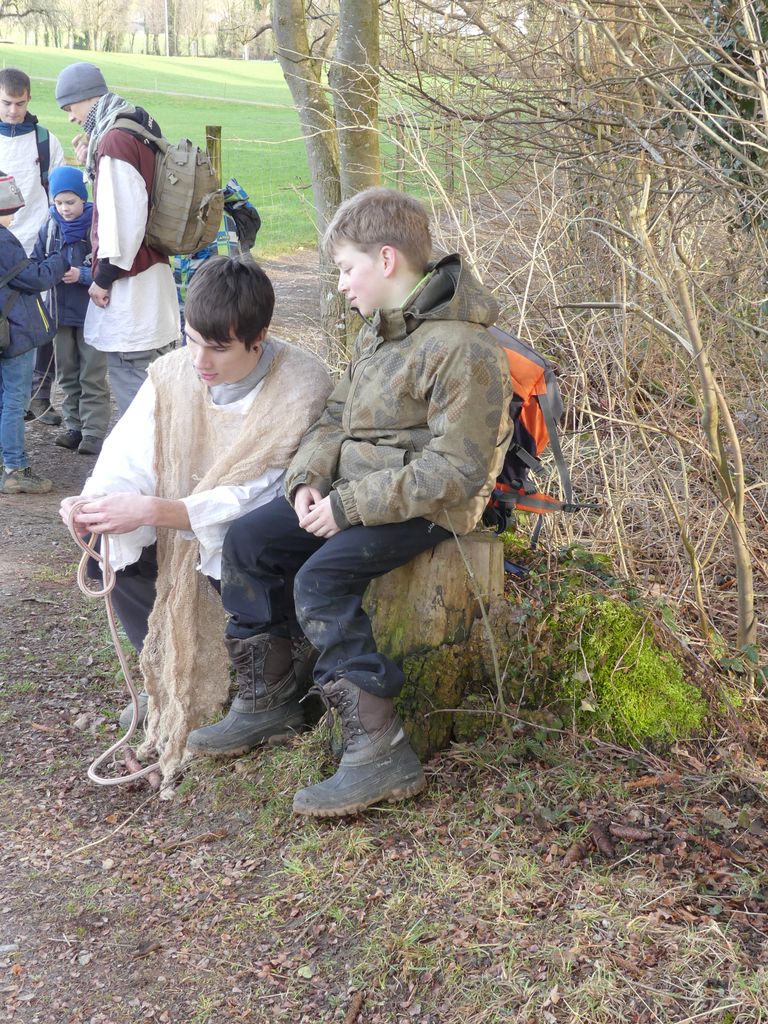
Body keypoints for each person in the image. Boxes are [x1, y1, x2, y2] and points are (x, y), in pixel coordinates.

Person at [186, 187, 514, 818]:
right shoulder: (380, 333)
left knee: (320, 581)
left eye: (345, 268)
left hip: (427, 508)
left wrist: (349, 507)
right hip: (353, 493)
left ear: (386, 259)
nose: (339, 284)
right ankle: (269, 699)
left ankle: (379, 750)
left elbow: (458, 471)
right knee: (248, 542)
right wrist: (309, 479)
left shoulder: (463, 348)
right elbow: (336, 417)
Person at [59, 255, 332, 785]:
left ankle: (263, 681)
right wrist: (93, 504)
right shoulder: (171, 372)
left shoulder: (301, 383)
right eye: (191, 340)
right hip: (183, 522)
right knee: (108, 546)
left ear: (259, 338)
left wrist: (159, 510)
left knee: (245, 543)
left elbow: (261, 494)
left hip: (257, 543)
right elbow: (128, 455)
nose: (200, 360)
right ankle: (172, 675)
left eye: (219, 348)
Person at [54, 61, 179, 416]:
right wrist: (93, 162)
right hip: (153, 277)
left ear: (86, 98)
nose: (71, 117)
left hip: (132, 287)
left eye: (70, 107)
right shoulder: (136, 125)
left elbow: (122, 218)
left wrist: (102, 278)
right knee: (158, 391)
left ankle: (148, 455)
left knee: (137, 402)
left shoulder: (114, 140)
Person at [0, 67, 66, 426]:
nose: (13, 111)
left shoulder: (46, 141)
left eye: (20, 103)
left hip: (36, 243)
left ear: (29, 100)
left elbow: (59, 192)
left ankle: (39, 395)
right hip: (1, 248)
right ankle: (10, 399)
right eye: (6, 103)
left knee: (40, 322)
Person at [32, 165, 109, 457]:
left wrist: (83, 275)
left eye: (70, 202)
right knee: (66, 372)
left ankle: (93, 431)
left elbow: (109, 268)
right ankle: (73, 426)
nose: (64, 208)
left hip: (92, 314)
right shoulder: (49, 227)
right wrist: (47, 273)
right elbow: (36, 262)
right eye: (59, 202)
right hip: (60, 316)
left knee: (92, 374)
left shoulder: (97, 226)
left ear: (83, 198)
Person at [0, 174, 69, 494]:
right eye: (10, 210)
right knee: (14, 402)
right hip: (13, 334)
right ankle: (16, 469)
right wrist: (59, 260)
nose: (14, 216)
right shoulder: (3, 240)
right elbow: (35, 278)